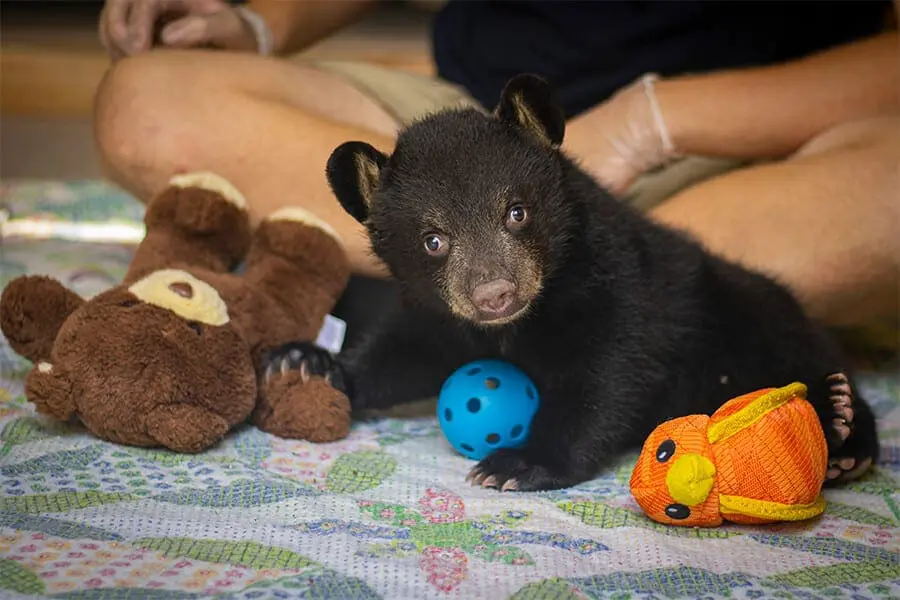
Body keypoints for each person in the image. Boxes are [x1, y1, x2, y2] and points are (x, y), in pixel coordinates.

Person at [92, 0, 899, 338]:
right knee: (146, 103)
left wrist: (658, 121)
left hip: (731, 164)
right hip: (452, 127)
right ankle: (491, 309)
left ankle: (397, 310)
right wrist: (255, 22)